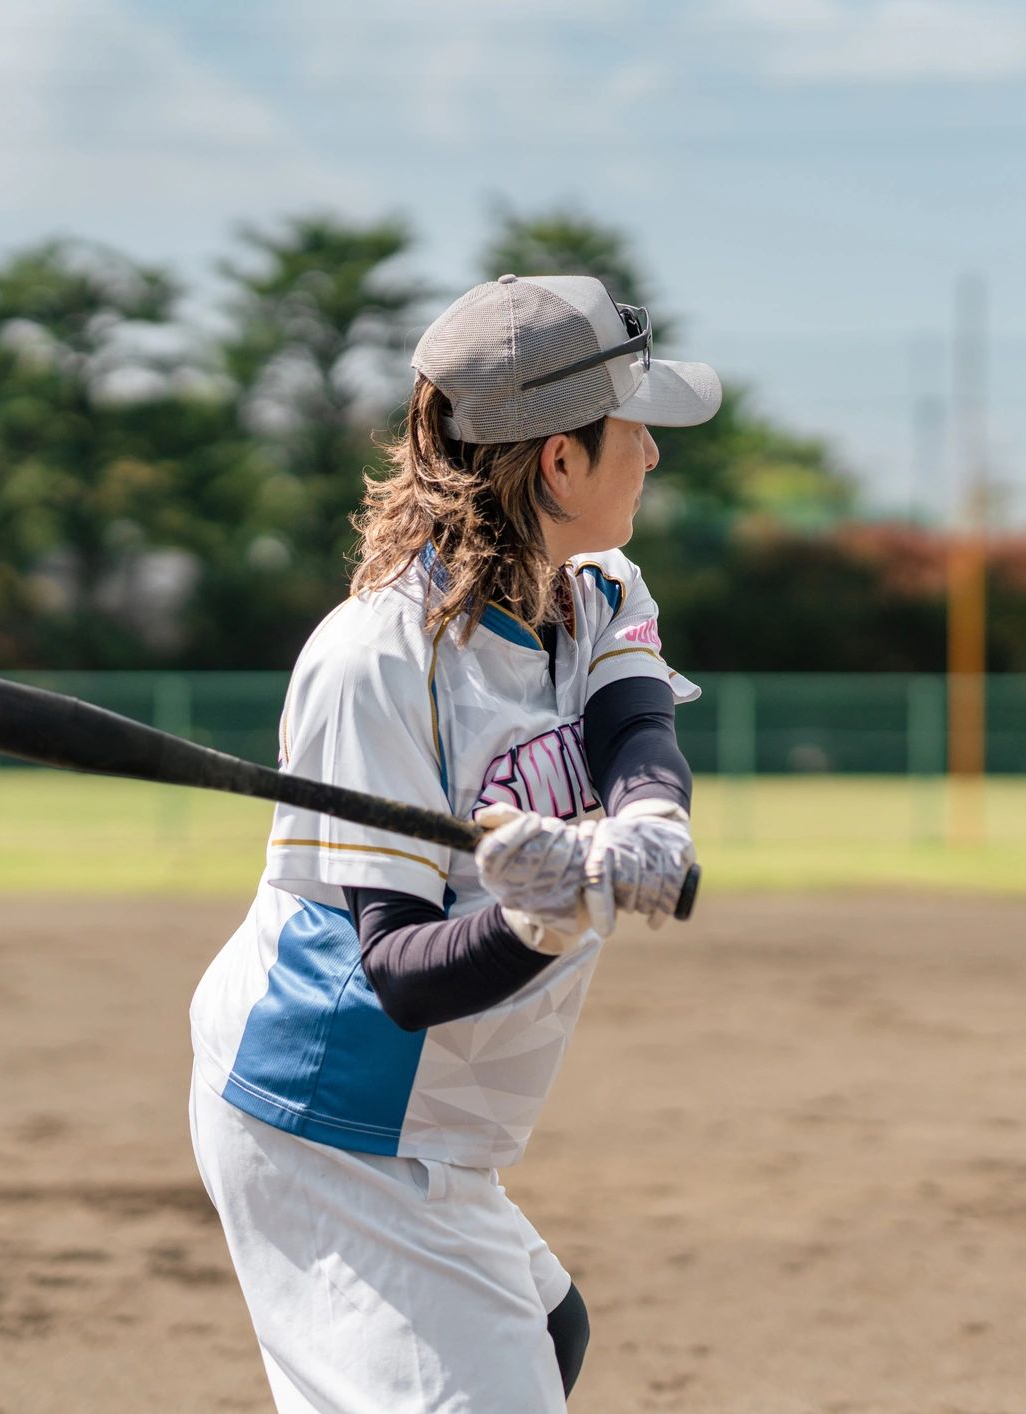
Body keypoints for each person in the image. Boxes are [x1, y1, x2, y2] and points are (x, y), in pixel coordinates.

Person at [187, 273, 718, 1411]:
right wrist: (541, 913)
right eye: (633, 429)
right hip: (334, 1115)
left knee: (545, 1326)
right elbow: (397, 975)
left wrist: (646, 822)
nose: (654, 456)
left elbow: (635, 725)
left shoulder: (594, 585)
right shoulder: (374, 658)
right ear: (558, 461)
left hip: (432, 1112)